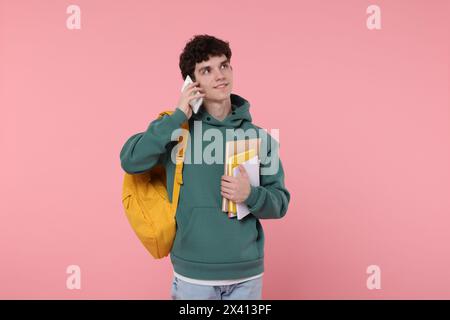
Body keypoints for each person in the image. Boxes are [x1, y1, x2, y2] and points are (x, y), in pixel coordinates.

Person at [120, 34, 290, 300]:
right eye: (206, 70)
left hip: (247, 276)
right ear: (192, 82)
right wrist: (177, 115)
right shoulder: (177, 131)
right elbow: (130, 160)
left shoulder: (259, 137)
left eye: (224, 65)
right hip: (193, 277)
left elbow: (280, 203)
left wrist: (251, 195)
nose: (219, 75)